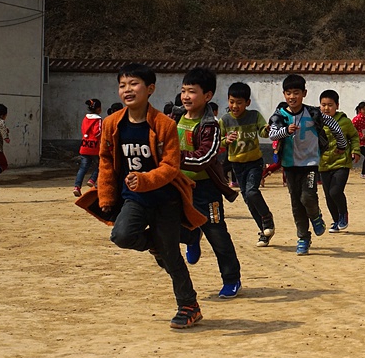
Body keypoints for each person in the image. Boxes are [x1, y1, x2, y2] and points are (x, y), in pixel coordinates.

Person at [74, 63, 206, 329]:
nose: (127, 90)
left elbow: (171, 166)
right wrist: (107, 199)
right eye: (122, 85)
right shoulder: (112, 124)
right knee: (121, 235)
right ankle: (156, 242)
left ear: (150, 89)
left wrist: (145, 179)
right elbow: (106, 162)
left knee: (171, 255)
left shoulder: (165, 124)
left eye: (134, 84)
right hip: (133, 198)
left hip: (164, 199)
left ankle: (189, 306)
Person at [171, 67, 242, 299]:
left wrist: (173, 156)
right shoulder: (175, 116)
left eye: (192, 91)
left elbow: (204, 158)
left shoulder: (210, 125)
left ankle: (232, 279)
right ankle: (192, 237)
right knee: (168, 225)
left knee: (217, 233)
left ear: (207, 96)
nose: (186, 96)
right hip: (178, 186)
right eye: (183, 91)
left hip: (205, 190)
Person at [268, 74, 347, 256]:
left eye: (296, 93)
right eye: (288, 93)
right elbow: (272, 134)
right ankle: (303, 238)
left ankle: (316, 216)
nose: (292, 97)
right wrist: (285, 131)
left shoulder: (313, 113)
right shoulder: (279, 116)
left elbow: (333, 124)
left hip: (310, 163)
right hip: (290, 165)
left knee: (307, 197)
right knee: (296, 203)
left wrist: (341, 145)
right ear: (284, 94)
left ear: (304, 93)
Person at [220, 81, 276, 247]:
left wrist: (270, 127)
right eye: (231, 102)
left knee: (252, 192)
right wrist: (225, 140)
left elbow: (264, 131)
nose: (235, 106)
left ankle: (267, 217)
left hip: (254, 163)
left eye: (239, 102)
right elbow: (218, 141)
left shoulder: (254, 116)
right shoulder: (225, 120)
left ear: (247, 103)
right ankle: (264, 232)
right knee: (248, 200)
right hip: (237, 165)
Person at [318, 90, 360, 233]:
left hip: (341, 162)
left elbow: (354, 137)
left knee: (335, 191)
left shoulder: (344, 122)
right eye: (323, 105)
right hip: (323, 164)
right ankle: (336, 221)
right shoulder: (316, 122)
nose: (326, 108)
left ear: (337, 105)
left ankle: (343, 214)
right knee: (328, 196)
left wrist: (355, 150)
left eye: (330, 105)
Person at [73, 99, 103, 197]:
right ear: (98, 109)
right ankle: (92, 179)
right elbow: (97, 132)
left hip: (84, 145)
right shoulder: (98, 119)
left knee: (83, 167)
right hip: (94, 147)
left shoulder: (85, 118)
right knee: (100, 165)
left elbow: (83, 130)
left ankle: (77, 186)